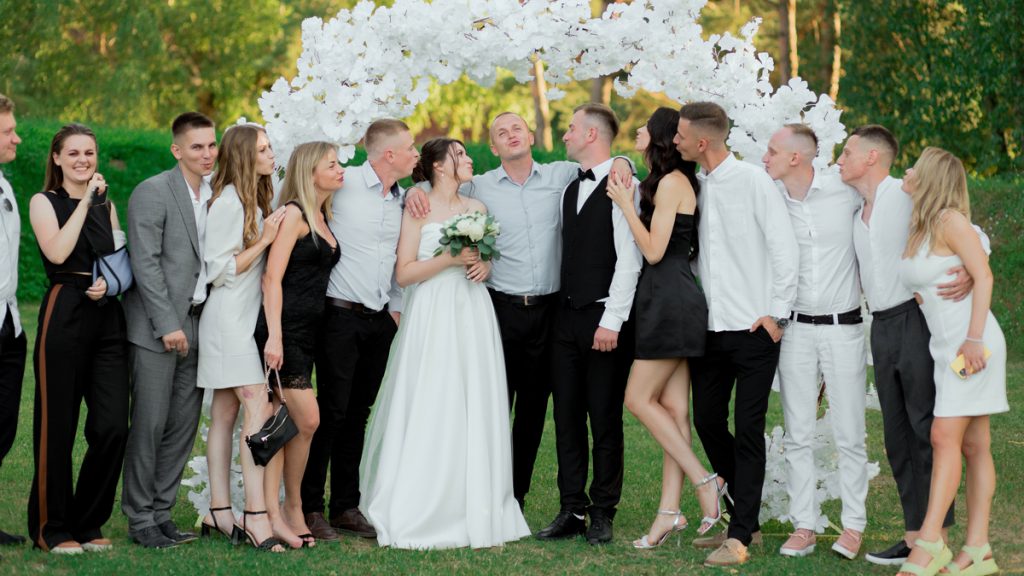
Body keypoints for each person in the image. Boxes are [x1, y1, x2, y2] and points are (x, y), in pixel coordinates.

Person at [408, 111, 632, 511]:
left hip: (551, 314)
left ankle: (515, 498)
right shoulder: (480, 186)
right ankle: (485, 494)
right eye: (501, 132)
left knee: (533, 411)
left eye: (517, 128)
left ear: (530, 137)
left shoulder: (562, 175)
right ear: (493, 148)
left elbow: (603, 164)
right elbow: (440, 184)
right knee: (491, 404)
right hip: (498, 310)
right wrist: (415, 190)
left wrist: (624, 161)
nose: (511, 135)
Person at [359, 137, 529, 549]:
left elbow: (483, 258)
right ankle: (422, 500)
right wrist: (448, 260)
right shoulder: (417, 206)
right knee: (434, 396)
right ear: (437, 166)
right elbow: (404, 273)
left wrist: (484, 264)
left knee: (474, 397)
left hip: (473, 311)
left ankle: (475, 500)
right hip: (433, 311)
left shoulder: (478, 209)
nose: (468, 159)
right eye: (460, 155)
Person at [677, 102, 799, 567]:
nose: (676, 142)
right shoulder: (695, 186)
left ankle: (742, 534)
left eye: (681, 136)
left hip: (754, 329)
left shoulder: (753, 181)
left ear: (701, 141)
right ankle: (745, 516)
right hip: (710, 328)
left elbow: (783, 248)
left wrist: (778, 315)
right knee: (707, 420)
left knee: (748, 429)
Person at [838, 125, 963, 566]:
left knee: (925, 430)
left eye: (847, 152)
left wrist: (972, 266)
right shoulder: (856, 212)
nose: (840, 160)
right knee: (896, 437)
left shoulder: (904, 194)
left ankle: (936, 540)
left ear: (872, 157)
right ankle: (914, 537)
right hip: (881, 327)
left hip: (915, 320)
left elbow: (964, 227)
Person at [604, 107, 723, 550]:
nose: (636, 129)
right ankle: (668, 512)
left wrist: (624, 206)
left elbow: (654, 251)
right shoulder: (666, 180)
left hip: (671, 301)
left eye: (644, 125)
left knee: (637, 398)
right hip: (665, 297)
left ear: (658, 135)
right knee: (674, 411)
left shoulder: (673, 183)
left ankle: (705, 482)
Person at [301, 119, 418, 542]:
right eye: (410, 147)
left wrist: (395, 311)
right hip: (338, 316)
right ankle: (309, 507)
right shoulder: (343, 183)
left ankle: (345, 506)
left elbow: (397, 256)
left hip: (380, 320)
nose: (416, 154)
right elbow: (299, 204)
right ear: (390, 154)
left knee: (358, 413)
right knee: (331, 411)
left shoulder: (405, 198)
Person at [896, 147, 1007, 576]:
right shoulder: (924, 223)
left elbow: (984, 275)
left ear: (931, 177)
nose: (907, 171)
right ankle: (978, 550)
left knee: (943, 435)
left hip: (971, 346)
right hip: (945, 349)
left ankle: (929, 542)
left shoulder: (949, 220)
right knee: (975, 446)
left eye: (915, 166)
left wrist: (974, 339)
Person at [536, 103, 642, 546]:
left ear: (593, 134)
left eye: (571, 128)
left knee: (604, 418)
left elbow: (629, 259)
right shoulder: (568, 187)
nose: (565, 135)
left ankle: (602, 511)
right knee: (566, 418)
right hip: (565, 320)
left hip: (605, 321)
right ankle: (571, 508)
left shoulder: (622, 183)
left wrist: (612, 321)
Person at [762, 124, 869, 559]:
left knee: (850, 431)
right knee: (798, 431)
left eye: (771, 151)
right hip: (795, 330)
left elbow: (895, 203)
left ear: (796, 157)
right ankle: (803, 525)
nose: (764, 157)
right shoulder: (770, 199)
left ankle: (854, 526)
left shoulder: (844, 191)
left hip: (845, 328)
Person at [27, 123, 130, 554]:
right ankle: (51, 528)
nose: (83, 160)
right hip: (64, 309)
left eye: (89, 152)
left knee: (113, 425)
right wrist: (86, 200)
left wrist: (110, 284)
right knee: (58, 425)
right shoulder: (43, 201)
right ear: (57, 158)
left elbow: (116, 259)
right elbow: (57, 251)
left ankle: (88, 521)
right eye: (73, 153)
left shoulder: (107, 204)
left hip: (106, 318)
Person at [121, 111, 218, 549]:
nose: (207, 154)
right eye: (197, 147)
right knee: (150, 423)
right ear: (177, 150)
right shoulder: (153, 191)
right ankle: (139, 517)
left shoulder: (216, 195)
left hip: (200, 322)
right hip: (157, 328)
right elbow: (145, 263)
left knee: (182, 426)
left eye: (211, 145)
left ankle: (162, 513)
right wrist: (167, 325)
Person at [197, 123, 287, 552]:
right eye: (263, 149)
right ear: (245, 156)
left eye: (270, 148)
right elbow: (218, 270)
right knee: (258, 408)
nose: (271, 155)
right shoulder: (229, 202)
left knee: (225, 412)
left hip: (243, 320)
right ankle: (254, 513)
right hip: (227, 321)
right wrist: (265, 239)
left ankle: (218, 511)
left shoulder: (255, 199)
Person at [254, 141, 342, 548]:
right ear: (310, 172)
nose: (340, 170)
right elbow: (271, 278)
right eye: (332, 164)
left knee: (293, 423)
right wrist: (274, 335)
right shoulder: (293, 214)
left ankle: (285, 509)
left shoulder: (323, 215)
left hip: (309, 332)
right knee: (305, 420)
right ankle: (284, 509)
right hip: (284, 330)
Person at [0, 93, 26, 549]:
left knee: (3, 427)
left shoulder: (4, 185)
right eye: (7, 131)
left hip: (10, 324)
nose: (16, 138)